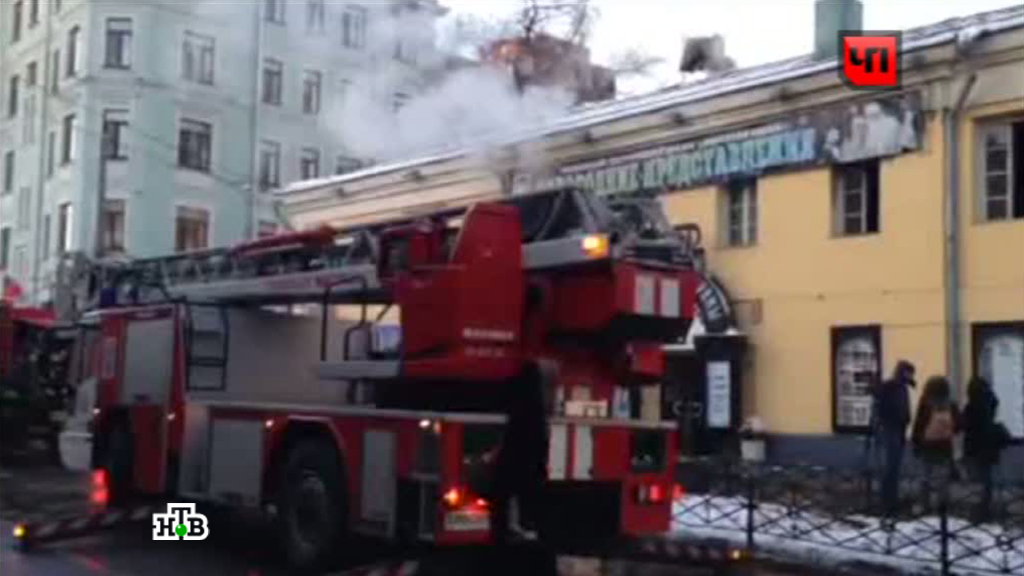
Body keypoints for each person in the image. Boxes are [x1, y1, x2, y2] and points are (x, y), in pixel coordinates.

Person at [491, 359, 551, 544]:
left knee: (505, 487)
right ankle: (526, 525)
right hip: (531, 452)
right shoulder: (536, 404)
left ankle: (506, 527)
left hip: (518, 449)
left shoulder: (518, 391)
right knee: (526, 488)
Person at [912, 375, 961, 514]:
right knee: (942, 479)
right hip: (945, 446)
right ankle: (942, 507)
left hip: (927, 446)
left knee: (924, 477)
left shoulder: (926, 402)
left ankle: (924, 505)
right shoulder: (951, 403)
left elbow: (919, 424)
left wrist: (916, 443)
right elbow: (959, 424)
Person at [876, 360, 916, 516]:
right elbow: (882, 405)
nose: (911, 376)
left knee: (895, 466)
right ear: (902, 372)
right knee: (891, 467)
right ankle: (887, 502)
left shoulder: (902, 387)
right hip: (891, 430)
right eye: (909, 372)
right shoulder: (892, 386)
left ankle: (891, 500)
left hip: (899, 430)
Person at [963, 377, 1004, 521]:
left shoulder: (972, 407)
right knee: (987, 481)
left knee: (977, 483)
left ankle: (979, 514)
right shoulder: (990, 402)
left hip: (975, 450)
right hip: (989, 450)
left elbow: (966, 427)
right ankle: (986, 511)